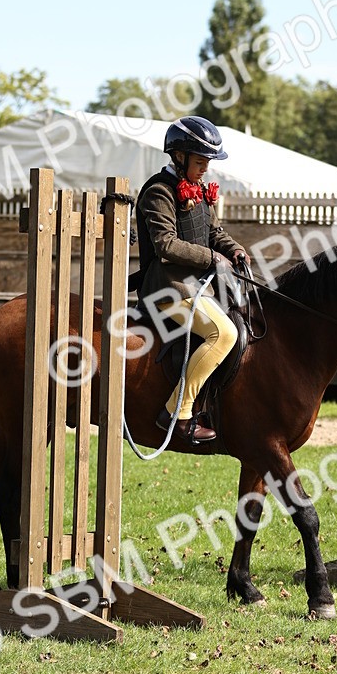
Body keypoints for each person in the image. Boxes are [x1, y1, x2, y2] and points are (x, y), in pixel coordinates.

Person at [135, 116, 250, 444]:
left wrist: (235, 250)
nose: (205, 169)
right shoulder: (158, 192)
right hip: (167, 290)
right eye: (200, 162)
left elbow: (214, 232)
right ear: (179, 157)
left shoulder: (197, 190)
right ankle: (177, 412)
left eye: (208, 163)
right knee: (223, 333)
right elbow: (166, 245)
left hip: (199, 287)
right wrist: (213, 258)